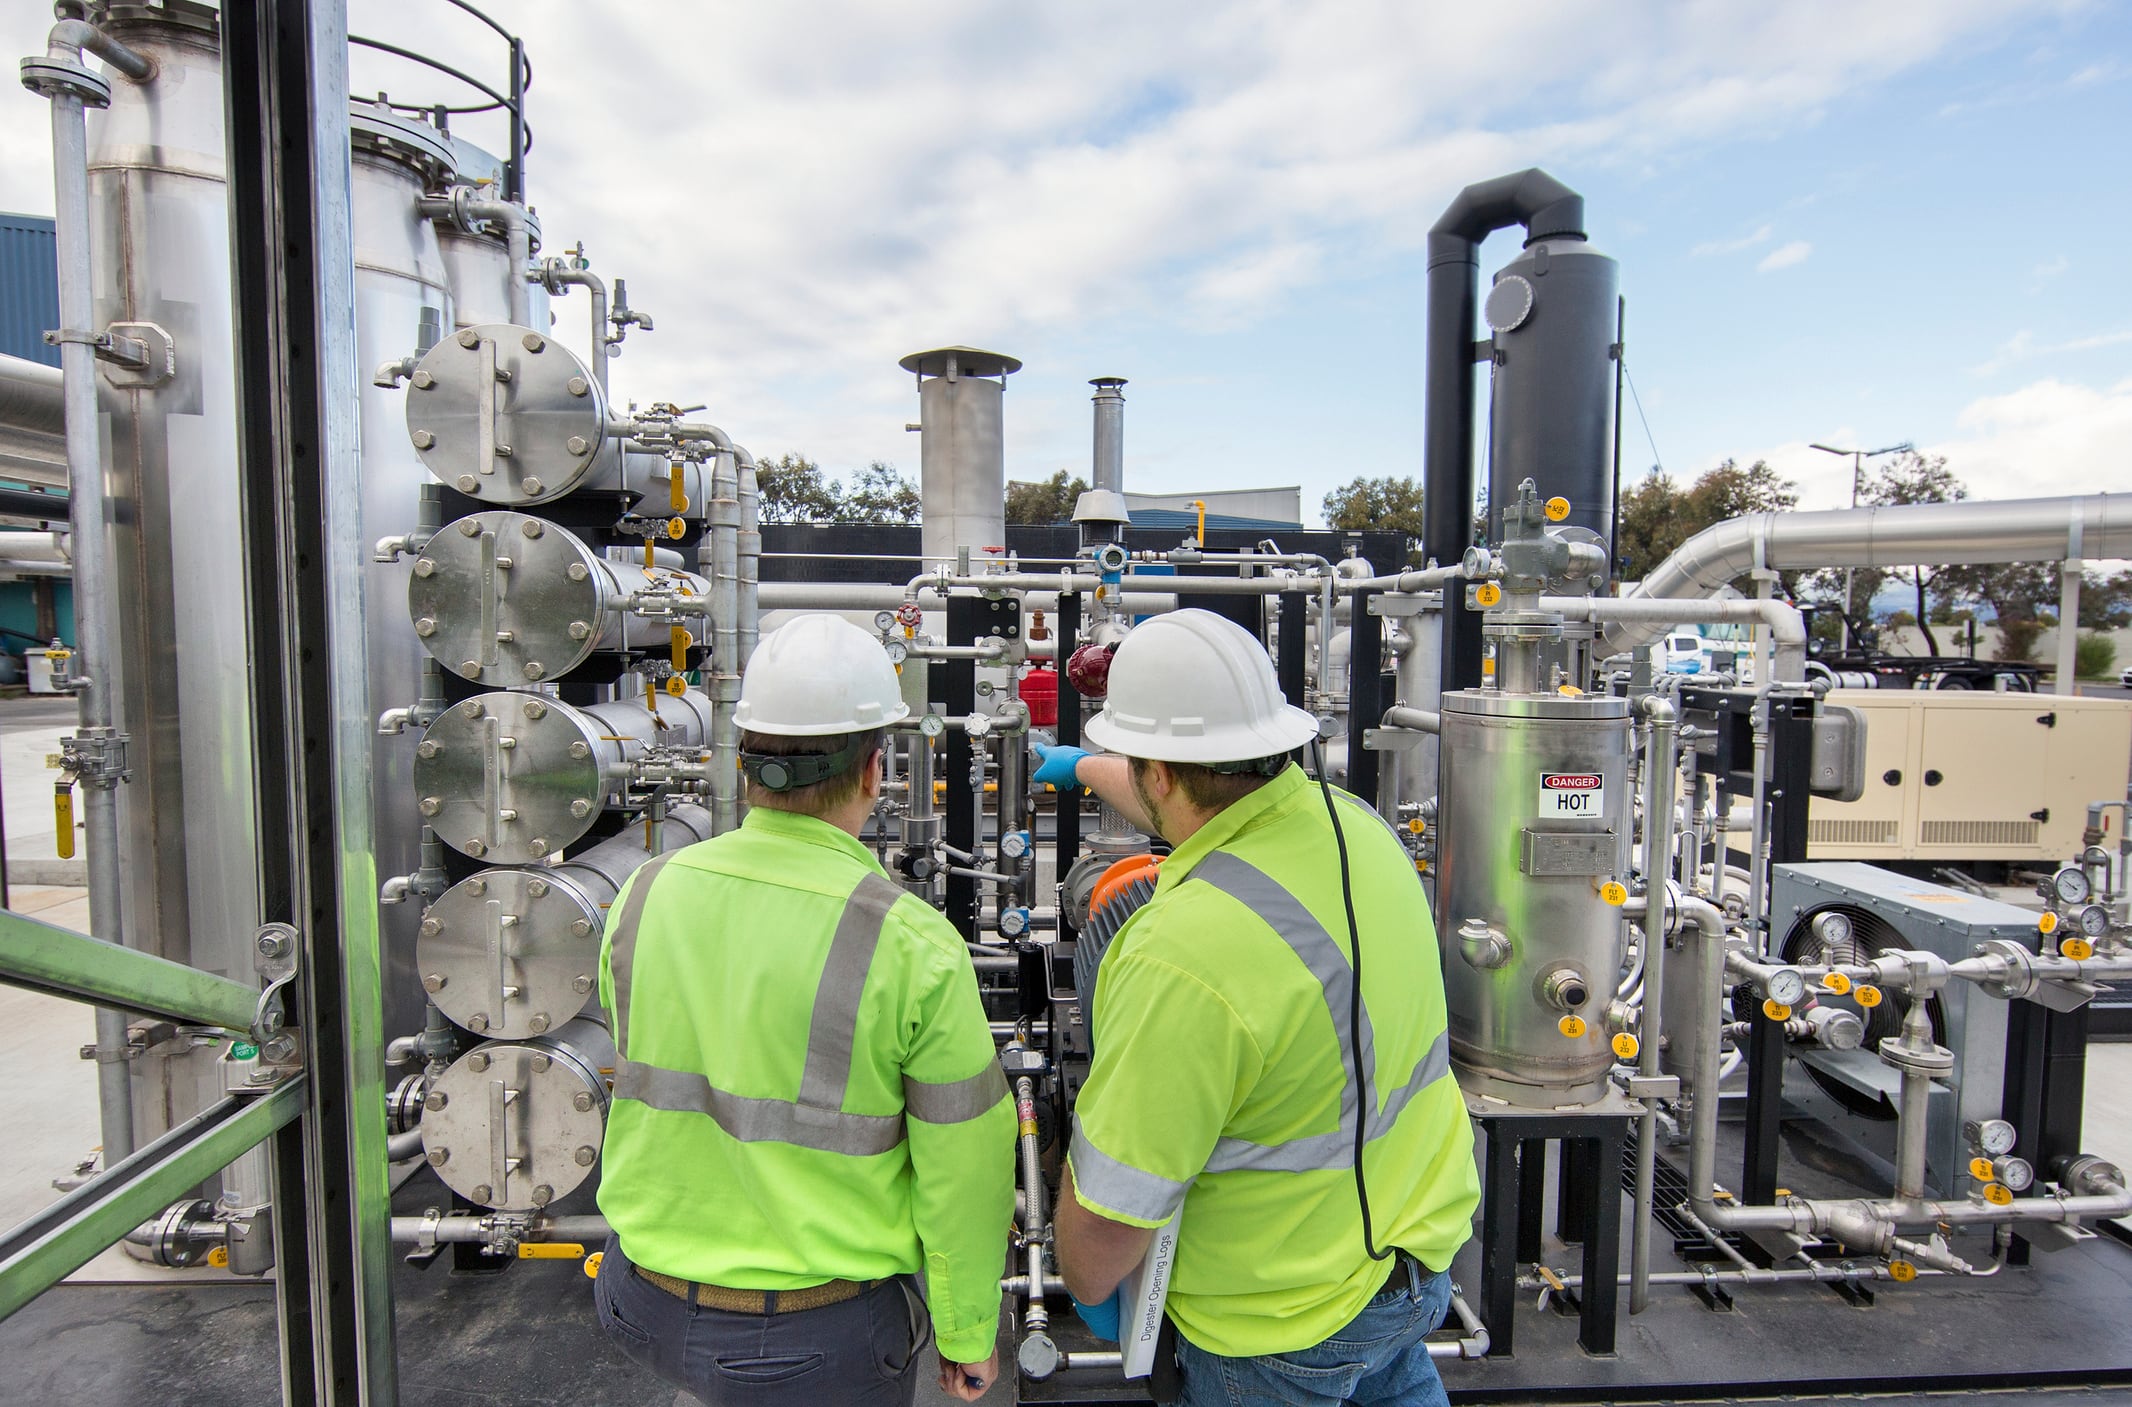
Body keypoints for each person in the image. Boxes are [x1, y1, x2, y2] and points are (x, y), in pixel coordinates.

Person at [1041, 608, 1478, 1407]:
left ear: (1162, 773)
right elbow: (1195, 802)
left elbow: (1106, 1227)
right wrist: (1077, 767)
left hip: (1276, 1325)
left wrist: (1088, 1280)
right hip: (1411, 1269)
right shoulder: (1361, 831)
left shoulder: (1181, 952)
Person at [592, 613, 1015, 1405]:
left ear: (747, 761)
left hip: (638, 1295)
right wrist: (965, 1331)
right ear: (873, 771)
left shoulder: (646, 893)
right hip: (809, 1335)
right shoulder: (909, 943)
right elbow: (967, 1164)